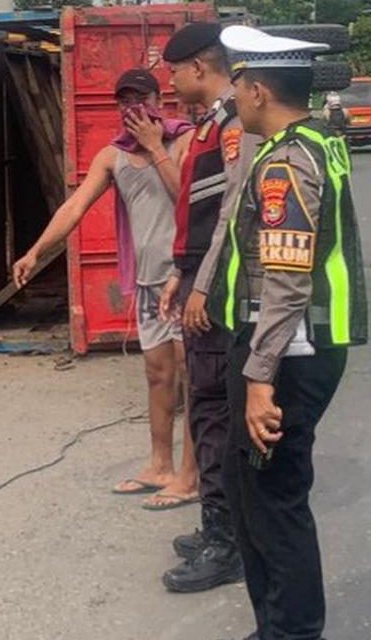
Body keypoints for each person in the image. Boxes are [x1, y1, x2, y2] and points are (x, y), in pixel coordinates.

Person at [207, 25, 367, 640]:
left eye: (240, 84)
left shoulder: (287, 163)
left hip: (286, 350)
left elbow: (286, 282)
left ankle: (294, 631)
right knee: (255, 497)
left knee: (273, 502)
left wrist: (257, 379)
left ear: (257, 90)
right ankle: (275, 625)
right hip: (290, 347)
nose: (236, 96)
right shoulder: (317, 140)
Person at [14, 69, 199, 510]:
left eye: (141, 97)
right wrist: (36, 251)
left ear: (159, 99)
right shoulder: (111, 156)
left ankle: (191, 476)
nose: (132, 107)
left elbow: (189, 199)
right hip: (151, 282)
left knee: (192, 376)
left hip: (188, 277)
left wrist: (156, 148)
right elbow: (75, 206)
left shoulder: (186, 141)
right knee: (158, 373)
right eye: (124, 100)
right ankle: (160, 465)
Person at [155, 21, 261, 594]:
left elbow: (231, 216)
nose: (168, 81)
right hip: (199, 277)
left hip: (218, 289)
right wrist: (179, 271)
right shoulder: (204, 129)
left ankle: (227, 541)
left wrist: (204, 284)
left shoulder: (231, 126)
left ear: (199, 66)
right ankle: (216, 524)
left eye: (173, 70)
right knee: (205, 407)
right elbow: (195, 218)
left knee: (216, 410)